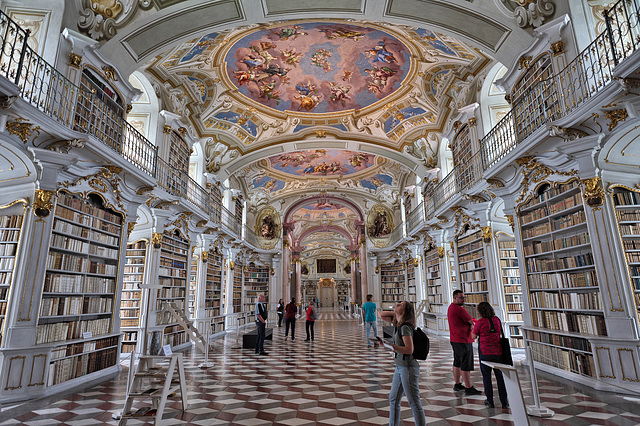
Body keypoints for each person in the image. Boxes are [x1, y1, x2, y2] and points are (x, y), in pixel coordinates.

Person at [379, 301, 426, 426]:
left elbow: (409, 350)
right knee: (393, 399)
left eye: (401, 305)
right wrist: (396, 311)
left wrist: (390, 346)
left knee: (414, 402)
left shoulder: (405, 327)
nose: (397, 304)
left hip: (408, 368)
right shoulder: (397, 324)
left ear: (405, 312)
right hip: (400, 366)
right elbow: (380, 314)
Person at [472, 302, 509, 409]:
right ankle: (504, 401)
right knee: (500, 377)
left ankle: (490, 400)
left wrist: (472, 328)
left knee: (486, 377)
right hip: (498, 352)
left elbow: (474, 336)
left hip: (485, 353)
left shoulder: (480, 322)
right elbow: (500, 332)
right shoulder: (496, 320)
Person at [447, 290, 482, 395]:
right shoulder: (459, 310)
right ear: (455, 298)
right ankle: (468, 387)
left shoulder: (451, 307)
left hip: (455, 339)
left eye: (464, 297)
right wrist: (472, 323)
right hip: (463, 340)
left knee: (457, 362)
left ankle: (457, 384)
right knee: (465, 364)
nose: (463, 300)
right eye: (461, 298)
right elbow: (472, 321)